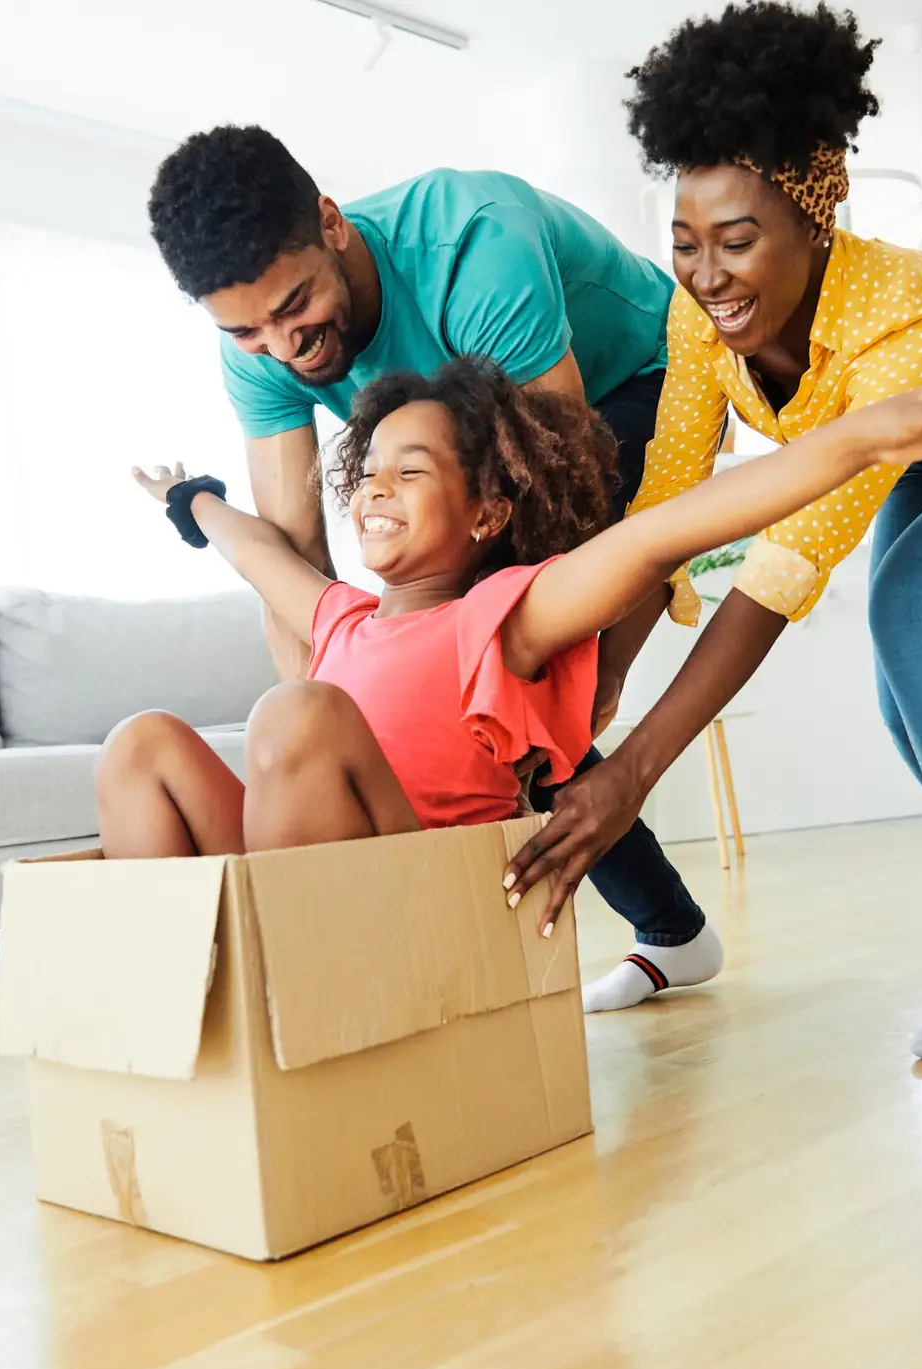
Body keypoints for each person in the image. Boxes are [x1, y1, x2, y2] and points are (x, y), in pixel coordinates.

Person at [503, 2, 922, 1060]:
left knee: (912, 606)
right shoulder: (696, 314)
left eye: (737, 241)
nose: (707, 274)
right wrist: (597, 691)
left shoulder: (901, 316)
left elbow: (781, 569)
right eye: (684, 245)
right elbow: (665, 513)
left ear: (815, 222)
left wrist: (635, 774)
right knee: (913, 715)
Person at [101, 325, 922, 868]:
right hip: (301, 881)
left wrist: (867, 436)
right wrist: (190, 500)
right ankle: (179, 999)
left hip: (413, 895)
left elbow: (664, 533)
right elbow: (250, 549)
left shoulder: (505, 616)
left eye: (413, 469)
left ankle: (279, 995)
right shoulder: (340, 619)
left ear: (486, 513)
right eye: (368, 473)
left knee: (299, 711)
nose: (375, 487)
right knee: (143, 742)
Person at [146, 124, 716, 1006]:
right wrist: (337, 731)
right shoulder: (255, 346)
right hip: (470, 433)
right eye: (249, 331)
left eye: (296, 308)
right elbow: (292, 553)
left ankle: (665, 930)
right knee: (441, 684)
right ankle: (674, 929)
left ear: (332, 225)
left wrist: (592, 675)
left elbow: (556, 496)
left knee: (510, 680)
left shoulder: (472, 245)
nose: (284, 347)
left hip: (633, 388)